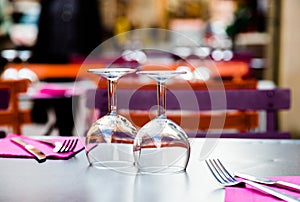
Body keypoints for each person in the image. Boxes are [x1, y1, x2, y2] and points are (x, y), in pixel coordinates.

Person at [30, 0, 102, 136]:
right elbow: (43, 30)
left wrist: (93, 60)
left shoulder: (87, 3)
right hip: (53, 61)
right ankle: (62, 138)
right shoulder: (48, 2)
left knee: (74, 106)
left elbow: (94, 29)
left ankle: (70, 138)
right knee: (57, 104)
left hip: (78, 62)